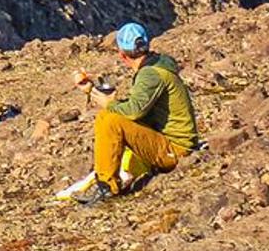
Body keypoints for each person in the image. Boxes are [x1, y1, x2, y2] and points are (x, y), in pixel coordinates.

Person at [70, 23, 195, 204]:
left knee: (110, 121)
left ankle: (106, 186)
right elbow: (135, 109)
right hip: (170, 143)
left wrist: (110, 103)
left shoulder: (150, 74)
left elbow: (134, 112)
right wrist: (93, 92)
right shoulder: (156, 66)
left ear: (122, 55)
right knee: (107, 116)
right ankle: (107, 182)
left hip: (176, 150)